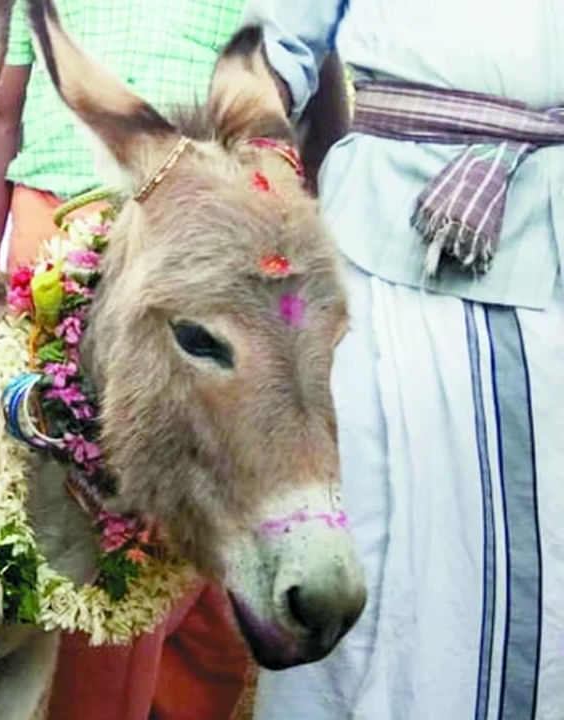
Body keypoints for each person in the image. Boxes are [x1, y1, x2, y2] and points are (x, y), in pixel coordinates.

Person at [243, 1, 563, 718]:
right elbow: (266, 53)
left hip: (556, 265)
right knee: (363, 538)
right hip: (388, 251)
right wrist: (259, 165)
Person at [0, 2, 258, 718]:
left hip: (186, 250)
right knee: (71, 499)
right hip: (50, 231)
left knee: (162, 513)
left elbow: (286, 118)